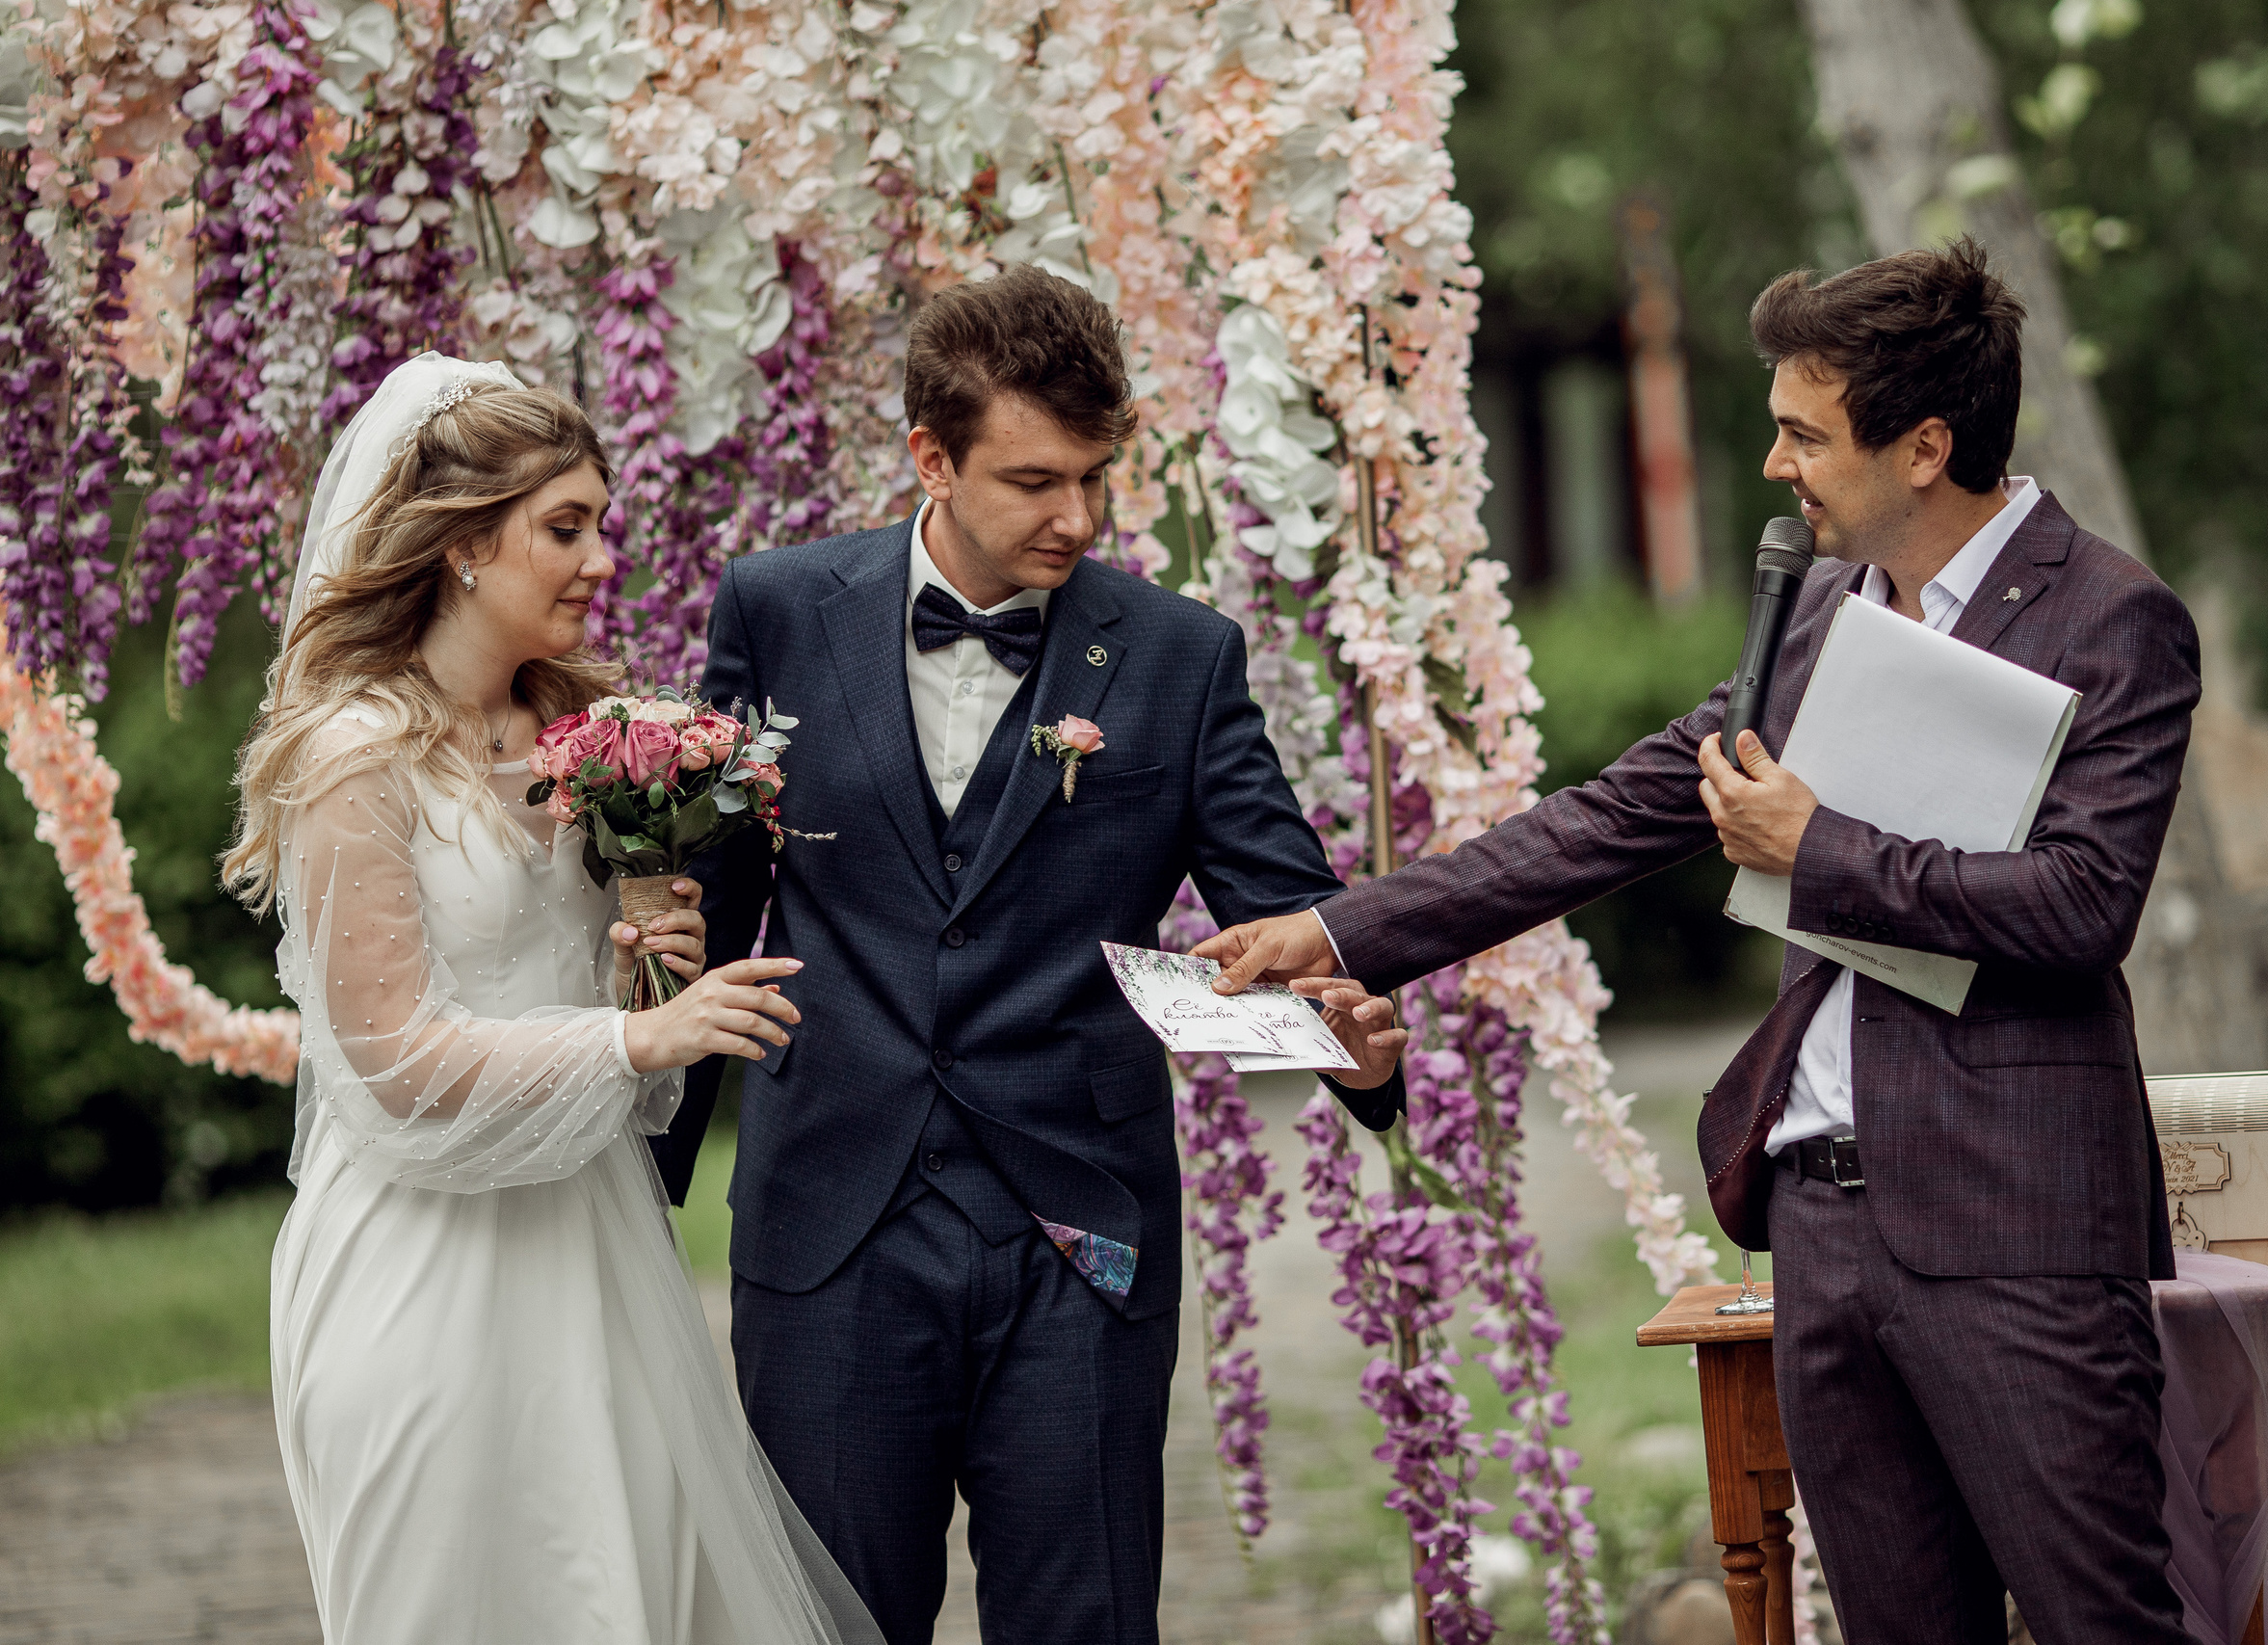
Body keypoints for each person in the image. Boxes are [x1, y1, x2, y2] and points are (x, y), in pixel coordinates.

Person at [1199, 241, 2202, 1645]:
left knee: (2107, 1625)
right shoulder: (1816, 620)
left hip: (2016, 1229)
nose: (1778, 462)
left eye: (1804, 431)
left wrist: (1822, 851)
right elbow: (1603, 821)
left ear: (1923, 446)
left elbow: (2088, 904)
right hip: (1821, 1221)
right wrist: (1333, 930)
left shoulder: (2114, 619)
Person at [651, 265, 1408, 1645]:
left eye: (1097, 478)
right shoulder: (777, 611)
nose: (1078, 518)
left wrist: (1352, 1044)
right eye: (1035, 481)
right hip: (832, 1226)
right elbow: (714, 899)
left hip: (1082, 1235)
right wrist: (644, 1179)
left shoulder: (1181, 658)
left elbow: (1285, 910)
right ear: (929, 459)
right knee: (828, 1622)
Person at [226, 355, 885, 1645]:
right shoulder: (351, 759)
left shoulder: (597, 739)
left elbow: (618, 1039)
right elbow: (396, 1061)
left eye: (604, 525)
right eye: (565, 527)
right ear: (465, 546)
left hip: (592, 1254)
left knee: (630, 1598)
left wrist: (653, 952)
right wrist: (636, 1031)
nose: (602, 560)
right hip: (422, 1279)